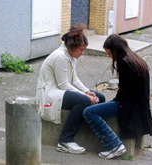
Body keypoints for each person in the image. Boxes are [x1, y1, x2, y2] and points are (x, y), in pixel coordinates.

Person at [83, 34, 152, 159]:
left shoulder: (123, 63)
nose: (109, 56)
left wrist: (114, 102)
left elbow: (124, 92)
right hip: (139, 106)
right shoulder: (136, 59)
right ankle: (114, 145)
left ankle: (114, 145)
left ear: (115, 49)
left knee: (89, 112)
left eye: (109, 53)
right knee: (101, 105)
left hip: (128, 106)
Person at [36, 24, 105, 154]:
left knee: (100, 97)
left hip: (60, 90)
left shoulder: (71, 56)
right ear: (72, 47)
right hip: (50, 94)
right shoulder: (60, 56)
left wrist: (86, 91)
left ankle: (93, 132)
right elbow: (63, 84)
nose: (83, 53)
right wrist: (86, 97)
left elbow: (74, 79)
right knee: (84, 101)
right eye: (81, 50)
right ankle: (65, 140)